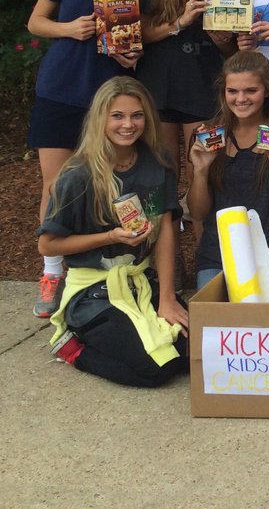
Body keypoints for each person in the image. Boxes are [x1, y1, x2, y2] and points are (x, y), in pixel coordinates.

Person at [26, 0, 148, 318]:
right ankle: (52, 270)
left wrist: (133, 56)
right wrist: (67, 28)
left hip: (109, 100)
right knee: (55, 184)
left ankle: (97, 266)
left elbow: (140, 37)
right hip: (61, 90)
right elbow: (35, 22)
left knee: (105, 184)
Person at [37, 76, 187, 386]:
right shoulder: (78, 175)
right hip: (93, 290)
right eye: (117, 115)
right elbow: (48, 245)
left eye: (137, 115)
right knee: (154, 371)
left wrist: (168, 299)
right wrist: (109, 237)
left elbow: (166, 229)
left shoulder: (157, 163)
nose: (128, 124)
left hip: (139, 280)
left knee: (192, 354)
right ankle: (74, 348)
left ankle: (144, 319)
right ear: (100, 119)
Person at [138, 0, 238, 174]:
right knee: (162, 172)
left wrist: (222, 40)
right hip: (160, 86)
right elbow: (142, 35)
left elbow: (234, 53)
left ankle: (197, 219)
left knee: (203, 170)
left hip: (206, 87)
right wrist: (180, 21)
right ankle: (170, 219)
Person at [187, 52, 269, 291]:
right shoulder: (210, 135)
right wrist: (201, 171)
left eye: (250, 91)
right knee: (214, 322)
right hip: (219, 254)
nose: (240, 99)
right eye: (232, 91)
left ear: (267, 90)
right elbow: (197, 211)